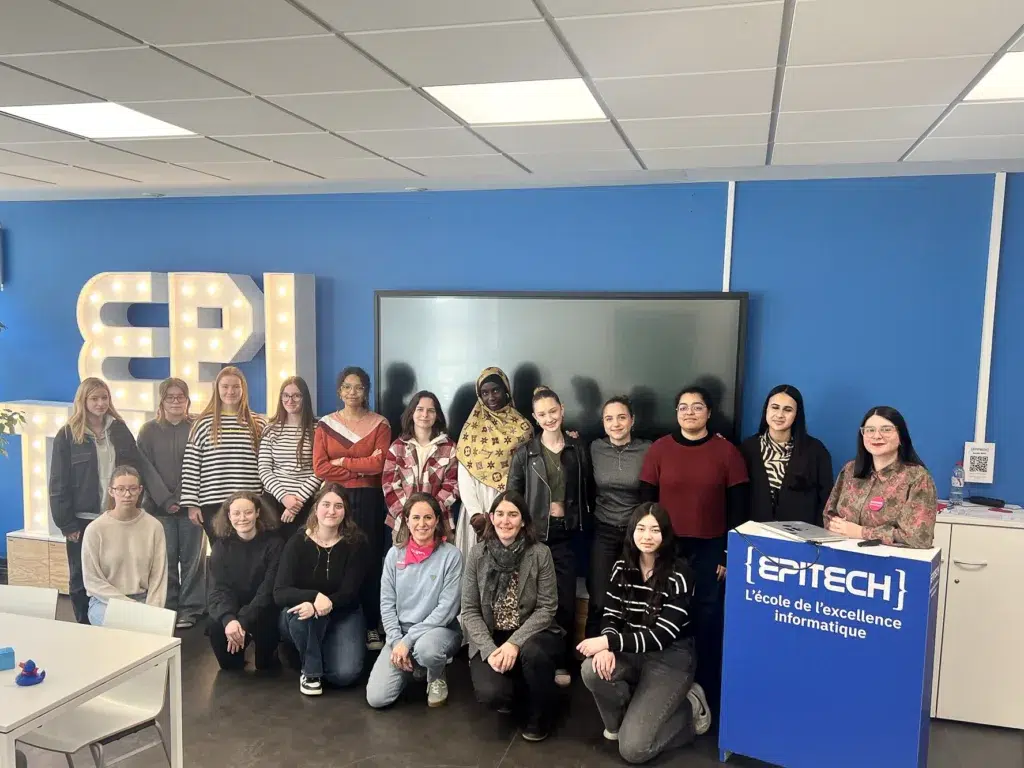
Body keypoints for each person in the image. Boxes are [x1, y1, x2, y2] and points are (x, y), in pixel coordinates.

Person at [638, 386, 748, 712]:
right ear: (676, 413)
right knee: (663, 615)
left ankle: (705, 693)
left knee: (707, 618)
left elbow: (739, 510)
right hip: (667, 548)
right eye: (683, 407)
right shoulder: (659, 450)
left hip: (711, 549)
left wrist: (729, 554)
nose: (689, 412)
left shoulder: (727, 453)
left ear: (709, 413)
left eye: (697, 407)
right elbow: (645, 504)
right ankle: (663, 688)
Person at [578, 503, 711, 764]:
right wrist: (606, 647)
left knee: (634, 750)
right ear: (632, 532)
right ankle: (623, 723)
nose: (647, 536)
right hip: (631, 650)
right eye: (641, 528)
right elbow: (611, 614)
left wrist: (608, 641)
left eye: (654, 530)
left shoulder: (680, 574)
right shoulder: (621, 567)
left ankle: (689, 708)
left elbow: (662, 636)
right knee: (590, 669)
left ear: (666, 535)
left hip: (670, 658)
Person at [49, 377, 167, 624]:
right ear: (83, 401)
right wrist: (66, 524)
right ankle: (85, 626)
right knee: (81, 578)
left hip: (119, 517)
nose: (101, 403)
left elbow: (136, 468)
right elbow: (58, 482)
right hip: (83, 519)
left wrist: (135, 504)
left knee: (118, 570)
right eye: (94, 398)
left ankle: (128, 615)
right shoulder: (68, 435)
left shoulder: (119, 429)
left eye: (104, 398)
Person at [461, 491, 562, 743]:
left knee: (535, 655)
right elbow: (470, 610)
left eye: (513, 514)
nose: (506, 521)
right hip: (492, 637)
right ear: (491, 518)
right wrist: (488, 648)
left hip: (531, 634)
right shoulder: (477, 554)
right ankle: (518, 690)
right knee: (493, 694)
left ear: (524, 521)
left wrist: (514, 643)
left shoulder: (540, 554)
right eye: (500, 514)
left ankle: (539, 716)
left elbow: (547, 608)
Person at [507, 386, 591, 686]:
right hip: (534, 537)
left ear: (563, 410)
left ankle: (563, 662)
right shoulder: (525, 452)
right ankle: (530, 658)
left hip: (567, 535)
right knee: (534, 602)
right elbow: (512, 498)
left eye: (553, 411)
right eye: (542, 414)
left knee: (565, 601)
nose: (549, 418)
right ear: (534, 417)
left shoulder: (577, 448)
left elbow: (587, 491)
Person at [313, 366, 392, 651]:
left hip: (370, 501)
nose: (352, 392)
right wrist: (359, 467)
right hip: (336, 499)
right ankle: (334, 619)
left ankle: (371, 625)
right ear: (339, 391)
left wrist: (343, 463)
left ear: (366, 390)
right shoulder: (325, 424)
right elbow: (320, 467)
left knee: (369, 561)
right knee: (336, 558)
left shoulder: (380, 424)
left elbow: (379, 467)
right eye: (347, 386)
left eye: (358, 387)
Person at [366, 493, 463, 710]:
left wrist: (407, 642)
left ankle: (436, 675)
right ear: (407, 521)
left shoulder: (452, 556)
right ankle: (417, 667)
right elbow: (387, 604)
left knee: (427, 649)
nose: (422, 524)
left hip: (439, 631)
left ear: (437, 520)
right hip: (399, 635)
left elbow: (447, 610)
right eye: (416, 517)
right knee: (377, 698)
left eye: (428, 518)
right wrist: (395, 641)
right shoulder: (394, 555)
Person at [274, 483, 370, 695]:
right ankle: (311, 672)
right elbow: (280, 592)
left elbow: (350, 592)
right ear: (315, 508)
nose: (331, 511)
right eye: (326, 504)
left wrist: (324, 605)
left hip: (343, 612)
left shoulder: (357, 543)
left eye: (338, 506)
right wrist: (313, 598)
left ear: (345, 512)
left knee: (344, 675)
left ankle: (308, 651)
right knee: (301, 618)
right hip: (302, 614)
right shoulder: (298, 542)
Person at [138, 377, 205, 630]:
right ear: (161, 400)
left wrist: (183, 498)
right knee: (164, 559)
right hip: (158, 508)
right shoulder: (148, 430)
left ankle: (191, 608)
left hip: (192, 506)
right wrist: (166, 499)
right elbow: (145, 468)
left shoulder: (198, 427)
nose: (176, 401)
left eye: (181, 396)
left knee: (192, 560)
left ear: (188, 400)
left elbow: (201, 465)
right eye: (170, 397)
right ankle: (168, 607)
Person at [824, 406, 938, 548]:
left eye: (886, 429)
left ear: (901, 436)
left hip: (891, 564)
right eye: (870, 430)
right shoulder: (850, 470)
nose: (877, 436)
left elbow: (919, 537)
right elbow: (829, 515)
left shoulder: (917, 477)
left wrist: (861, 532)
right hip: (842, 558)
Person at [587, 395, 652, 638]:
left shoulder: (649, 448)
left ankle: (629, 648)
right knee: (599, 594)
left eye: (622, 417)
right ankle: (590, 651)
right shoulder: (594, 447)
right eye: (609, 419)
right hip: (603, 529)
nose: (616, 424)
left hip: (636, 533)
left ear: (632, 421)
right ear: (603, 423)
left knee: (636, 593)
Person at [455, 367, 533, 563]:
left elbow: (527, 475)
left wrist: (509, 509)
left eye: (496, 390)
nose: (491, 397)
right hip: (477, 506)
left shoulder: (523, 428)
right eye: (485, 393)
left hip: (509, 505)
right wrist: (476, 515)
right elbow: (464, 472)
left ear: (506, 390)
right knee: (476, 568)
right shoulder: (471, 428)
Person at [180, 366, 266, 542]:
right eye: (225, 386)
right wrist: (192, 503)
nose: (230, 391)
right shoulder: (203, 424)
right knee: (221, 553)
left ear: (243, 390)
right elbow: (191, 465)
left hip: (248, 501)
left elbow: (264, 464)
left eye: (236, 387)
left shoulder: (258, 423)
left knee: (248, 552)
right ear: (217, 389)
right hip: (213, 502)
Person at [81, 465, 168, 627]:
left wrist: (153, 611)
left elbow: (159, 576)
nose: (127, 494)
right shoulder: (95, 530)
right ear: (111, 491)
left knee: (156, 630)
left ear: (140, 490)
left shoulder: (154, 527)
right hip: (105, 602)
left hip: (144, 599)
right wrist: (130, 606)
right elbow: (92, 581)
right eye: (120, 489)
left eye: (132, 489)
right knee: (128, 627)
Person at [208, 491, 284, 671]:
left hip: (264, 609)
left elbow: (268, 590)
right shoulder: (221, 546)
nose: (242, 518)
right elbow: (218, 589)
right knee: (229, 665)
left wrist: (243, 620)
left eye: (248, 512)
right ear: (228, 516)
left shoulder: (275, 544)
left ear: (258, 512)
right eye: (236, 513)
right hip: (234, 610)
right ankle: (240, 637)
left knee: (266, 667)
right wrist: (229, 620)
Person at [739, 385, 834, 526]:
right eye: (775, 407)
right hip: (754, 536)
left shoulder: (816, 451)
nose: (779, 415)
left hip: (800, 538)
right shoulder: (747, 448)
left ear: (797, 414)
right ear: (766, 409)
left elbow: (826, 500)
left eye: (787, 410)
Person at [382, 391, 459, 538]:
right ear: (411, 412)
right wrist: (410, 515)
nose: (425, 415)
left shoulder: (449, 447)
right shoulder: (397, 447)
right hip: (403, 524)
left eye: (431, 411)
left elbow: (453, 485)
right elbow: (389, 486)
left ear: (437, 416)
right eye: (420, 409)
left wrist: (430, 514)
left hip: (440, 523)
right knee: (405, 561)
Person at [259, 376, 320, 542]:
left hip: (305, 503)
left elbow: (319, 471)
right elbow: (264, 470)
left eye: (296, 395)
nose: (290, 400)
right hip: (273, 503)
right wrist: (284, 497)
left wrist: (296, 503)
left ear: (304, 398)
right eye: (285, 395)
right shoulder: (270, 429)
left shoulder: (318, 429)